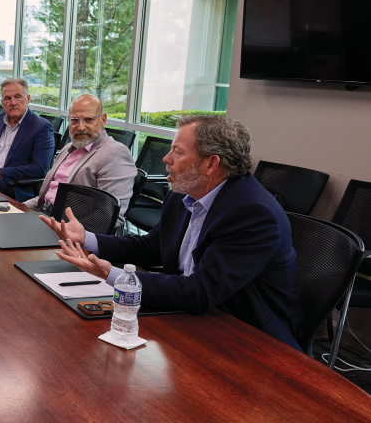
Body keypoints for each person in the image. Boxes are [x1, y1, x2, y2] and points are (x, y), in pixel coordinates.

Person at [42, 115, 303, 350]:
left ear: (211, 164)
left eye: (177, 152)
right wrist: (87, 239)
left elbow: (200, 292)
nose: (166, 159)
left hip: (249, 338)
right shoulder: (185, 193)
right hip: (188, 317)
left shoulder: (252, 214)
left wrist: (115, 276)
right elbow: (153, 246)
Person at [22, 94, 136, 227]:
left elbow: (109, 216)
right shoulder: (68, 148)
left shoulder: (115, 153)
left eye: (89, 119)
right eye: (74, 120)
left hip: (67, 227)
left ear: (103, 120)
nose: (81, 127)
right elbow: (49, 197)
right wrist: (20, 207)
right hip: (43, 215)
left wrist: (67, 230)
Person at [0, 78, 54, 201]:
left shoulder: (41, 127)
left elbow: (39, 169)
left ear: (28, 99)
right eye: (7, 98)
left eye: (18, 97)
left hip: (13, 186)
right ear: (2, 103)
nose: (13, 102)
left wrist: (0, 172)